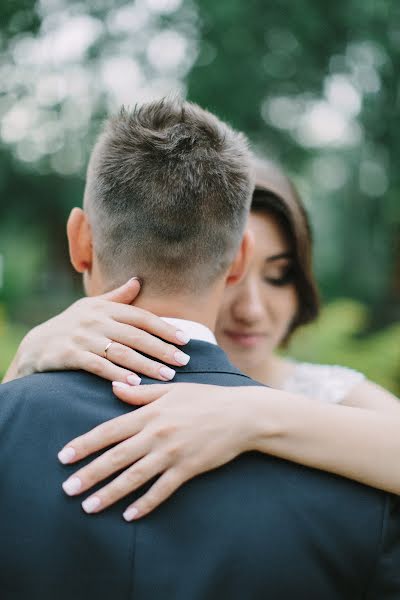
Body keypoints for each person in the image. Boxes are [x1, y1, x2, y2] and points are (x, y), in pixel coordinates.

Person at [1, 98, 399, 599]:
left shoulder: (11, 426)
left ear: (80, 241)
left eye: (280, 277)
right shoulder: (361, 502)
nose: (252, 309)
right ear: (237, 260)